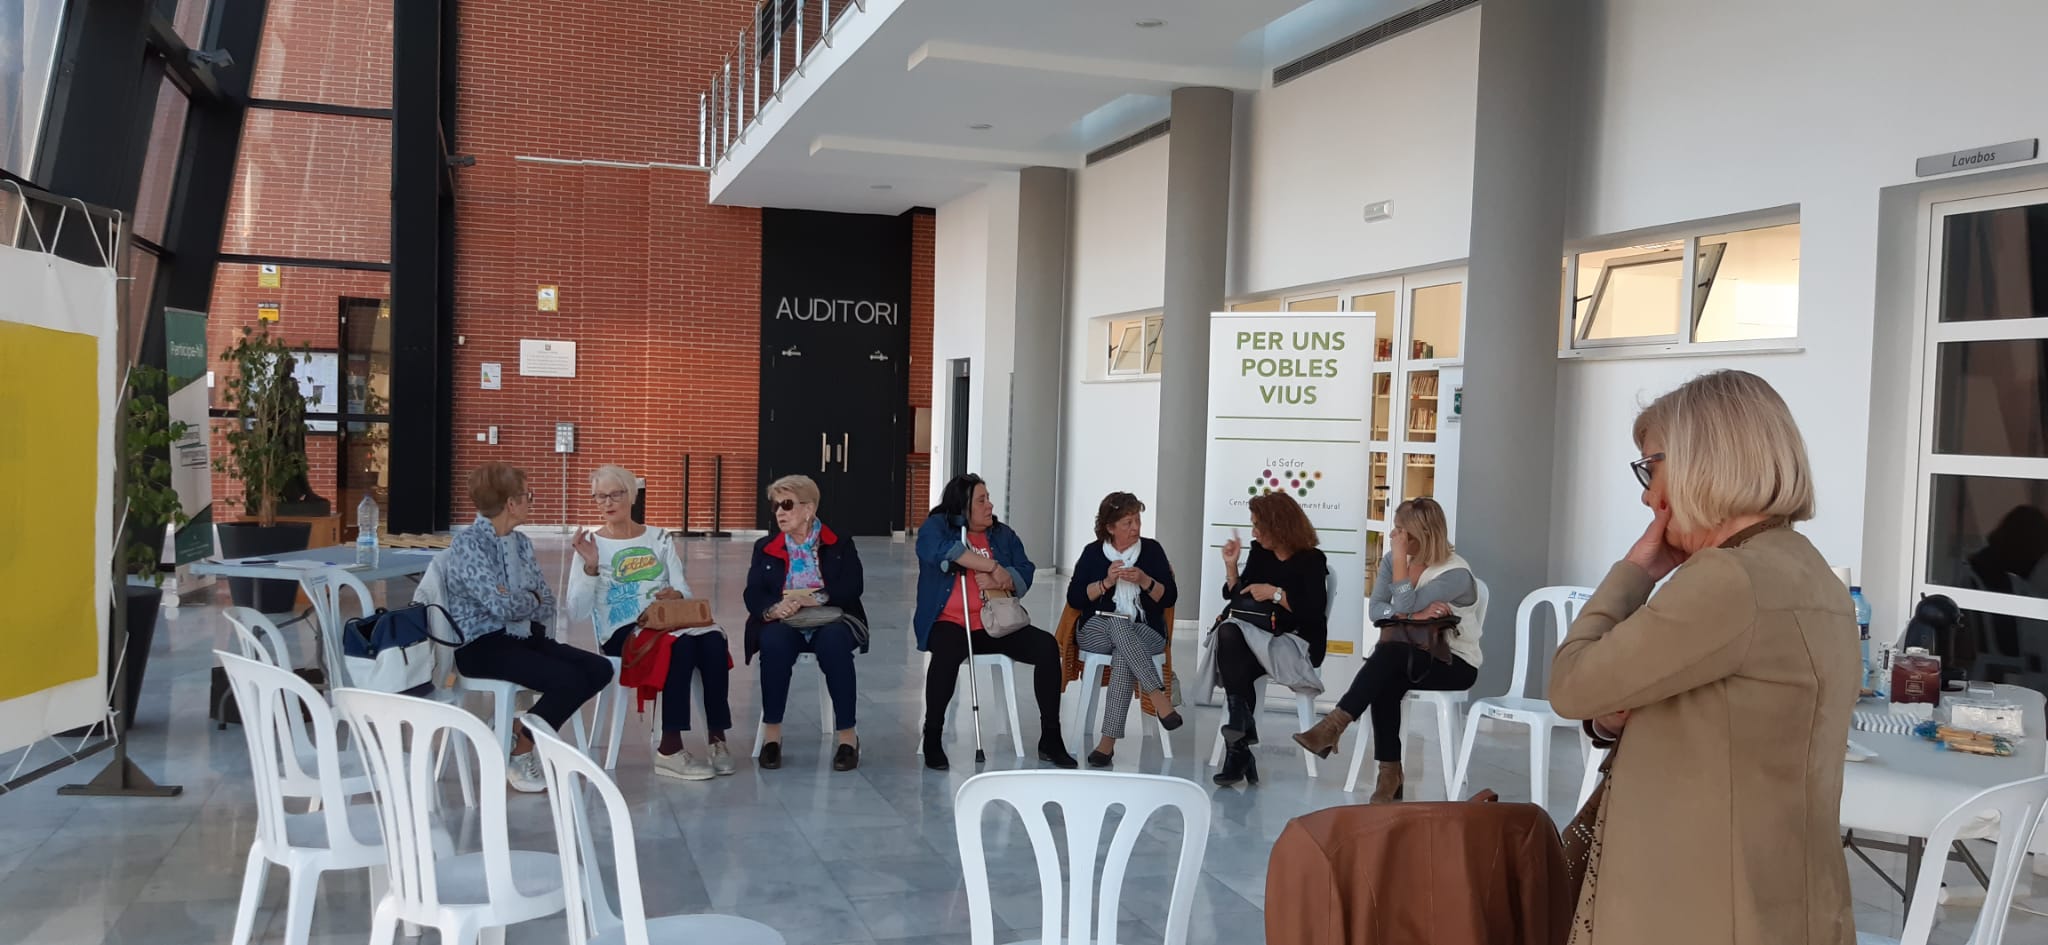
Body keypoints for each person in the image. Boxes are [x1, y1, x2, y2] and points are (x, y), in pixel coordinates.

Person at [1548, 369, 1856, 945]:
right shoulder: (1808, 571)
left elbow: (1570, 685)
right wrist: (1612, 715)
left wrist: (1632, 574)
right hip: (1782, 896)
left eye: (1651, 468)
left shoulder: (1727, 579)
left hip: (1698, 904)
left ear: (1699, 461)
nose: (1647, 495)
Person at [1292, 497, 1479, 803]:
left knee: (1388, 657)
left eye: (1401, 530)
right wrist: (1414, 614)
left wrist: (1404, 595)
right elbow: (1376, 610)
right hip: (1410, 657)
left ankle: (1334, 727)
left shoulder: (1455, 573)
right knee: (1385, 679)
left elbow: (1401, 605)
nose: (1395, 536)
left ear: (1422, 534)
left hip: (1454, 663)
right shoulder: (1395, 560)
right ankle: (1389, 776)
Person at [443, 462, 614, 793]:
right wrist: (526, 598)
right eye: (527, 496)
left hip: (522, 637)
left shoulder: (520, 542)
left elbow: (546, 599)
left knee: (599, 667)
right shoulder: (469, 545)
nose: (530, 501)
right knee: (568, 680)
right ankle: (521, 751)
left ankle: (518, 728)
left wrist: (523, 598)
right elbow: (501, 605)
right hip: (481, 646)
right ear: (510, 503)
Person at [567, 464, 733, 781]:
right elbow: (576, 611)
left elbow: (684, 589)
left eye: (615, 494)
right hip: (621, 632)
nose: (607, 502)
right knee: (679, 646)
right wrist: (590, 567)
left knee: (713, 640)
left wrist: (675, 595)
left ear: (631, 496)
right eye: (599, 497)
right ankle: (670, 749)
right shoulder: (590, 546)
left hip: (666, 620)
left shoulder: (658, 538)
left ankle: (717, 737)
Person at [914, 474, 1078, 771]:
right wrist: (992, 566)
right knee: (948, 652)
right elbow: (938, 551)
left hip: (995, 623)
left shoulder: (1002, 535)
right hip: (949, 621)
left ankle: (1051, 738)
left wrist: (1006, 577)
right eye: (981, 500)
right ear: (963, 506)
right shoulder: (938, 527)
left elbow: (1025, 570)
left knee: (1046, 647)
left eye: (988, 498)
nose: (989, 505)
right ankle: (933, 736)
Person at [743, 475, 867, 772]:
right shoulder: (766, 546)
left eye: (787, 505)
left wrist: (820, 597)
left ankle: (848, 738)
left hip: (830, 616)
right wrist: (773, 608)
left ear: (809, 509)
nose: (779, 513)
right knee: (773, 643)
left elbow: (854, 586)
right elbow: (753, 591)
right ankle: (772, 736)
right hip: (785, 619)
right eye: (775, 506)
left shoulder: (839, 542)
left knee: (835, 644)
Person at [1205, 491, 1329, 787]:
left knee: (1234, 643)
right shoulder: (1260, 552)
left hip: (1295, 641)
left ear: (1279, 526)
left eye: (1259, 526)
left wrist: (1276, 594)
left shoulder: (1312, 560)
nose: (1254, 533)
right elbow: (1241, 599)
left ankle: (1239, 746)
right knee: (1229, 631)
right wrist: (1231, 566)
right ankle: (1239, 737)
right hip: (1258, 637)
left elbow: (1313, 613)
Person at [1063, 491, 1180, 768]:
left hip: (1145, 630)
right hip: (1095, 630)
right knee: (1118, 624)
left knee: (1123, 648)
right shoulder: (1093, 553)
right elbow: (1075, 598)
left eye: (1137, 520)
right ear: (1110, 527)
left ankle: (1107, 745)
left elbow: (1169, 598)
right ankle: (1157, 695)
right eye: (1128, 522)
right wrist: (1105, 583)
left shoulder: (1152, 551)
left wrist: (1144, 580)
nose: (1136, 528)